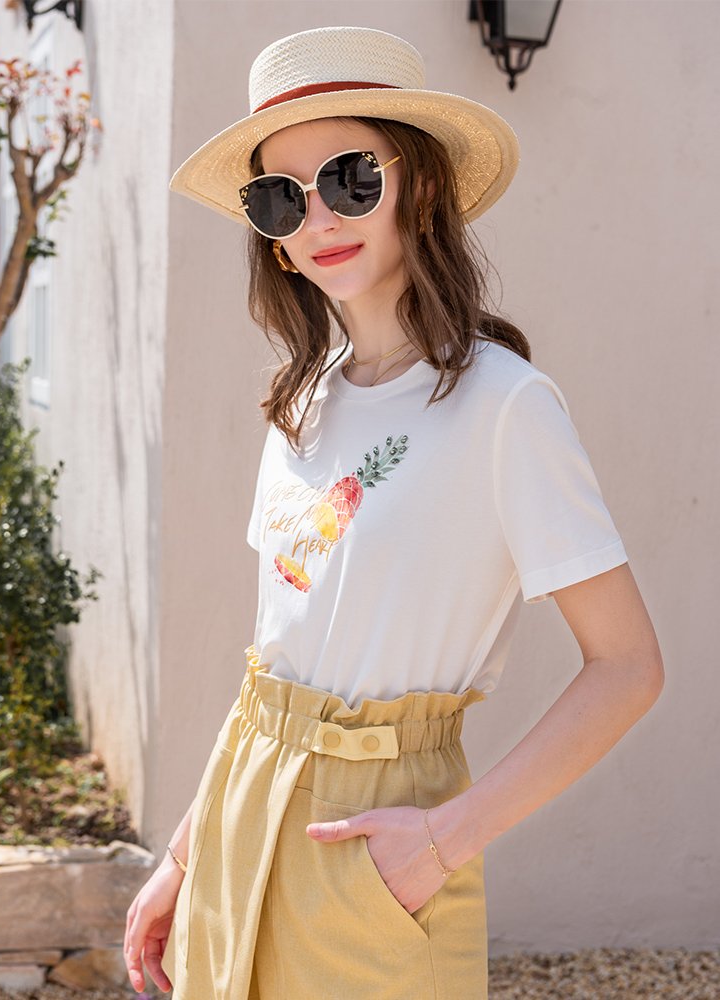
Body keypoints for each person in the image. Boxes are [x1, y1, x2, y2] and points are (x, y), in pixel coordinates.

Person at [123, 25, 664, 1000]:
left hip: (380, 842)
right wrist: (185, 852)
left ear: (421, 186)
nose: (318, 217)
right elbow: (271, 671)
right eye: (281, 197)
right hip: (242, 816)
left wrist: (444, 840)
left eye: (350, 178)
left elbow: (628, 666)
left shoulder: (503, 406)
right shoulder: (299, 405)